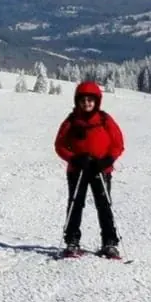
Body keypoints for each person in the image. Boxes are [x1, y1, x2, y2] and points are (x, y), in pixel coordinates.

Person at [53, 81, 125, 259]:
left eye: (90, 100)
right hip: (78, 169)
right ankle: (72, 241)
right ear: (77, 101)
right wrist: (74, 158)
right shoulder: (71, 121)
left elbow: (118, 143)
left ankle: (109, 242)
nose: (86, 103)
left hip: (101, 169)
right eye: (83, 100)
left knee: (104, 205)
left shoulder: (105, 120)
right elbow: (60, 145)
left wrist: (107, 159)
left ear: (97, 101)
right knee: (75, 205)